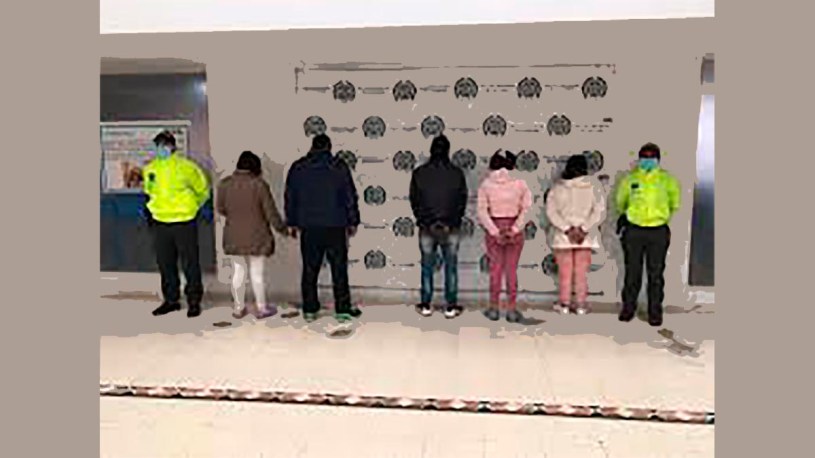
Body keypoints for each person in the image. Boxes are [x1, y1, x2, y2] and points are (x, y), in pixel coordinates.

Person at [284, 134, 361, 323]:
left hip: (309, 226)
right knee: (339, 269)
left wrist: (292, 222)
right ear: (329, 147)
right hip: (335, 225)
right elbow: (349, 195)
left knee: (310, 269)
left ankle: (310, 309)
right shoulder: (339, 166)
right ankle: (342, 310)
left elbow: (290, 197)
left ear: (312, 147)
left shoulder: (298, 167)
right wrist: (353, 221)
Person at [142, 131, 210, 318]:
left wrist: (191, 208)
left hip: (184, 222)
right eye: (157, 146)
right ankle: (171, 301)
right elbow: (149, 192)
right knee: (165, 264)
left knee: (190, 264)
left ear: (171, 146)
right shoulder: (150, 169)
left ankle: (194, 302)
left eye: (162, 146)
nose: (159, 150)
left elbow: (203, 190)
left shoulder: (187, 167)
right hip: (160, 222)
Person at [216, 151, 288, 320]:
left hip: (233, 235)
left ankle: (238, 308)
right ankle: (261, 308)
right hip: (257, 236)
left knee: (237, 272)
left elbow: (221, 209)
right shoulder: (259, 185)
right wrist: (283, 230)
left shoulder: (224, 184)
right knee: (257, 274)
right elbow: (271, 213)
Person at [615, 142, 681, 326]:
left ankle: (655, 312)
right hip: (634, 230)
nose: (647, 160)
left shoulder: (667, 180)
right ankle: (628, 309)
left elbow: (674, 203)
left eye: (651, 157)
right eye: (644, 157)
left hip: (658, 231)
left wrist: (658, 216)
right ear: (639, 159)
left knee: (656, 274)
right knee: (632, 272)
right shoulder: (630, 179)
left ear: (658, 159)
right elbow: (621, 202)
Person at [409, 134, 468, 319]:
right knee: (451, 267)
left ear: (431, 150)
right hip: (451, 228)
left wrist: (426, 222)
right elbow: (461, 201)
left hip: (427, 228)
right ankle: (450, 307)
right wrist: (450, 222)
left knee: (427, 267)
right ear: (448, 151)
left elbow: (415, 201)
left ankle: (426, 305)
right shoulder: (457, 173)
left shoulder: (419, 173)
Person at [545, 154, 606, 315]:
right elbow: (599, 211)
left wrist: (567, 229)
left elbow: (551, 212)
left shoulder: (557, 187)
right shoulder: (594, 186)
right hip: (585, 238)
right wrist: (583, 229)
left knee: (564, 274)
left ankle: (564, 304)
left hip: (562, 236)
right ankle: (580, 305)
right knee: (581, 274)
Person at [477, 151, 532, 323]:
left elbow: (482, 211)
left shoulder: (486, 184)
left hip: (494, 226)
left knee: (495, 270)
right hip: (515, 227)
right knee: (511, 271)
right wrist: (514, 229)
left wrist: (495, 231)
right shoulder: (521, 183)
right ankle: (511, 310)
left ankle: (493, 309)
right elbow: (526, 208)